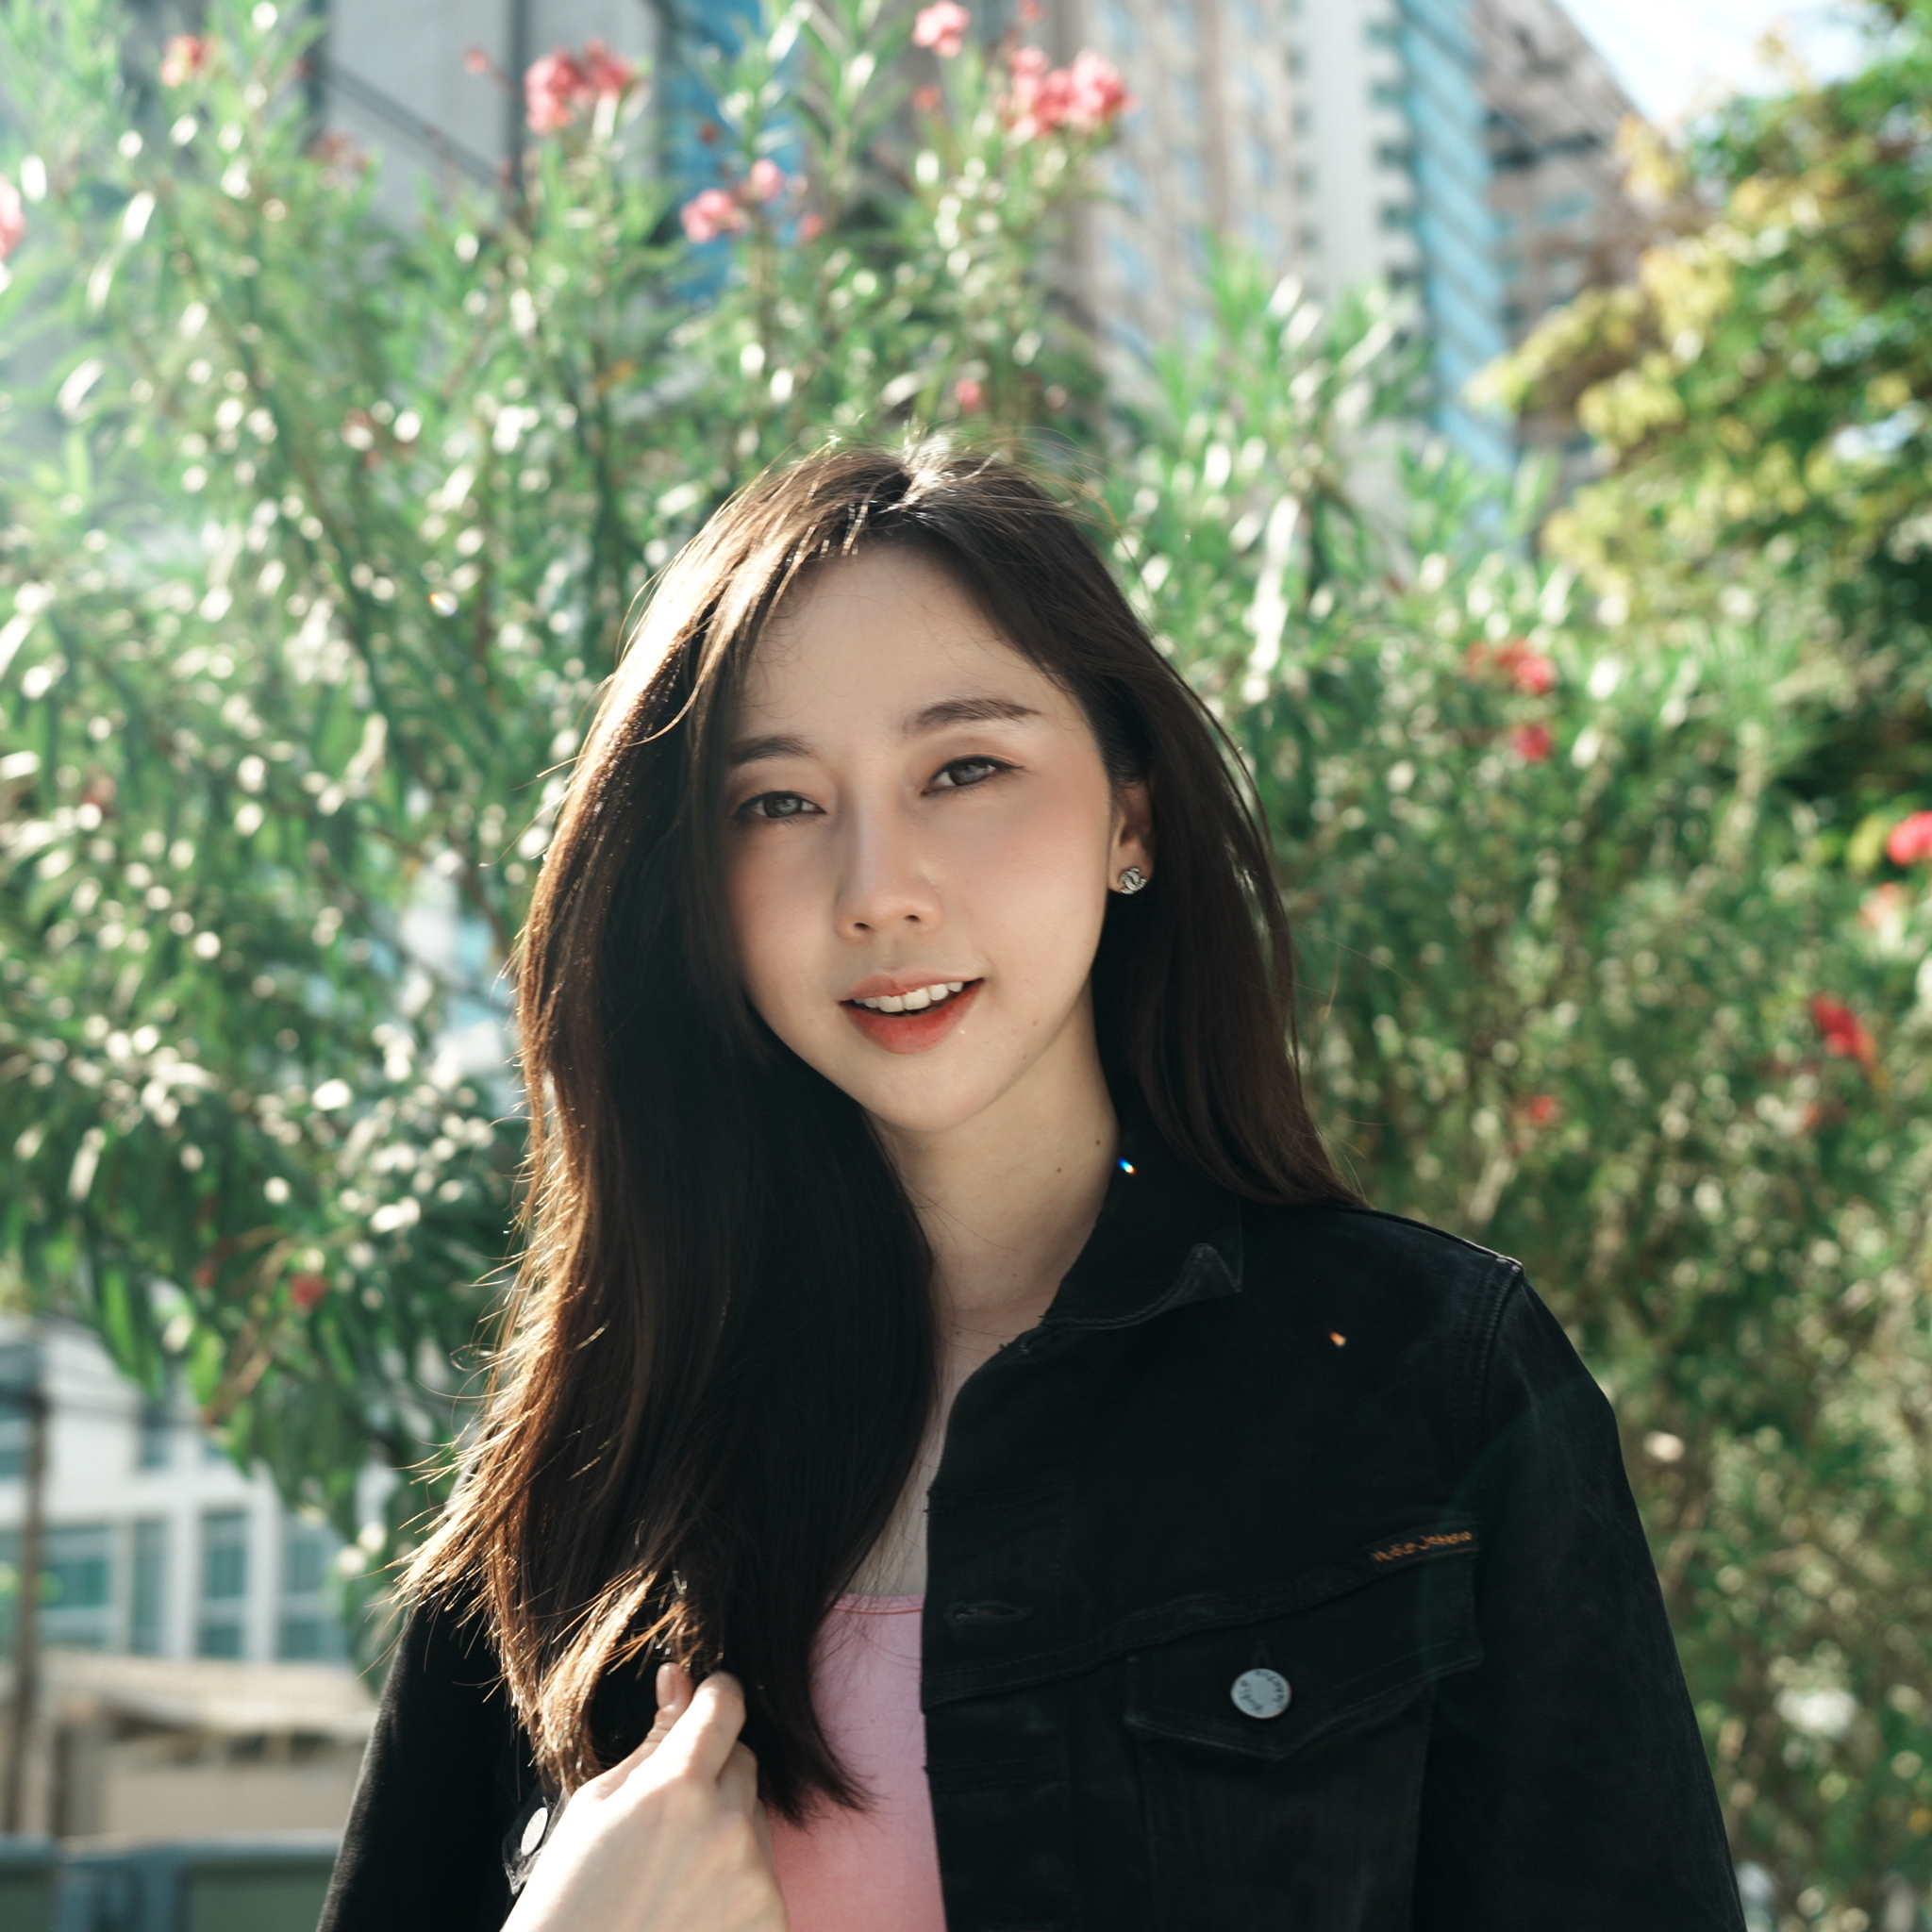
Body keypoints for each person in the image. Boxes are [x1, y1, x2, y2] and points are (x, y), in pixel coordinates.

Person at [319, 443, 1745, 1932]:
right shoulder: (585, 1463)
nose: (880, 887)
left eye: (966, 769)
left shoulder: (1426, 1379)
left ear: (1132, 817)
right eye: (777, 804)